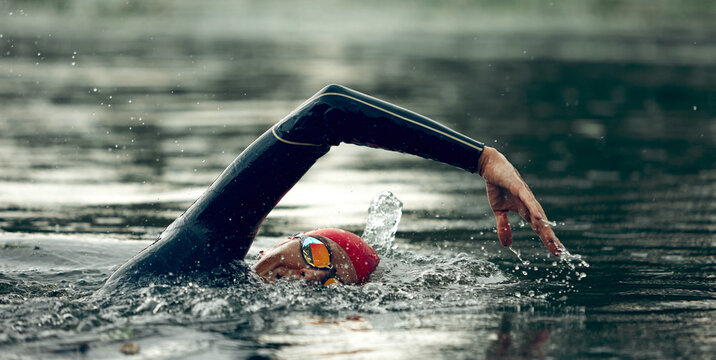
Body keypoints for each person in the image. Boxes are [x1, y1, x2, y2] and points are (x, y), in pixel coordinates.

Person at [102, 84, 564, 290]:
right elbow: (331, 109)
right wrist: (482, 159)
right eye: (316, 253)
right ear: (285, 240)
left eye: (331, 279)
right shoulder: (203, 247)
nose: (310, 274)